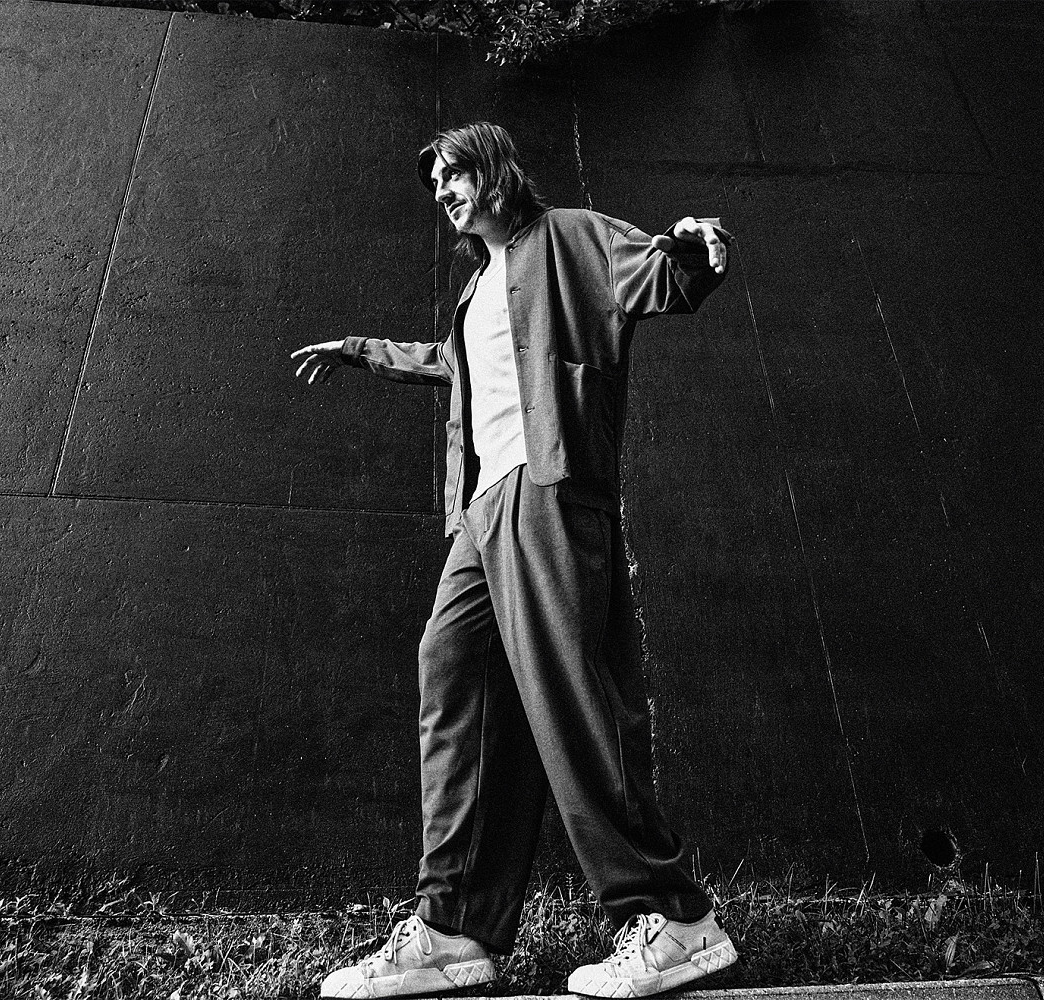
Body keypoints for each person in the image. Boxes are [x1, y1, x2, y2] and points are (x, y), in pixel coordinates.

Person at [290, 121, 735, 999]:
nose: (444, 194)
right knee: (451, 673)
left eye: (454, 175)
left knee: (568, 696)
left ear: (494, 169)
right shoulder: (477, 287)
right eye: (436, 186)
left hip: (548, 486)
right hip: (482, 508)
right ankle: (454, 929)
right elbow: (449, 364)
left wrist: (691, 249)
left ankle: (676, 919)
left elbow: (651, 273)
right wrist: (361, 351)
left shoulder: (567, 236)